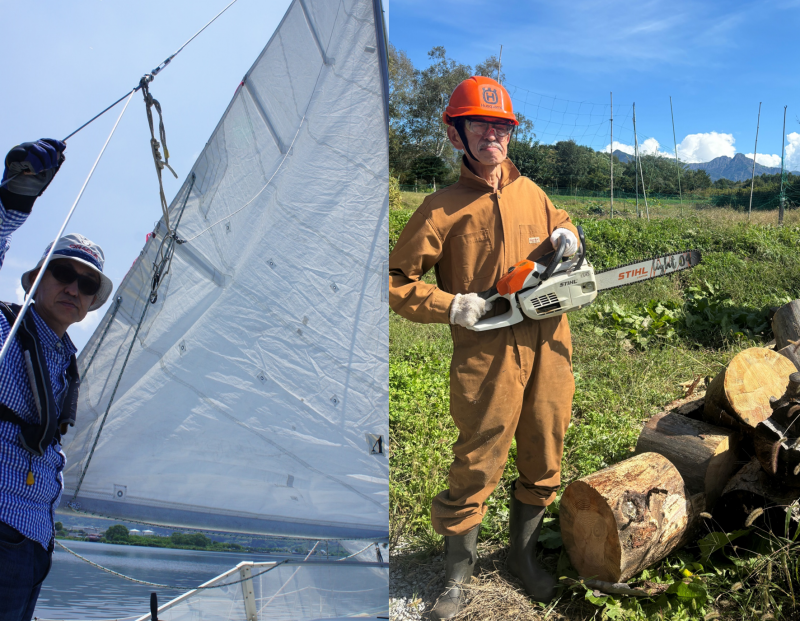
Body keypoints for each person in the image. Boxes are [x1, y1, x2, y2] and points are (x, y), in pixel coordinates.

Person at [389, 76, 580, 619]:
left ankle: (521, 558)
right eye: (480, 125)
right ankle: (456, 576)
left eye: (500, 126)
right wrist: (449, 304)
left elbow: (567, 231)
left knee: (545, 447)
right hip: (487, 351)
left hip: (549, 342)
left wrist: (571, 239)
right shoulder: (440, 208)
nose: (492, 136)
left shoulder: (534, 194)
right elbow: (395, 279)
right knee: (479, 455)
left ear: (510, 135)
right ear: (458, 134)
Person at [0, 140, 114, 621]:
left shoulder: (67, 359)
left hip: (34, 540)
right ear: (34, 281)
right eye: (62, 274)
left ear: (91, 301)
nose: (74, 287)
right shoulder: (5, 329)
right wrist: (14, 198)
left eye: (87, 284)